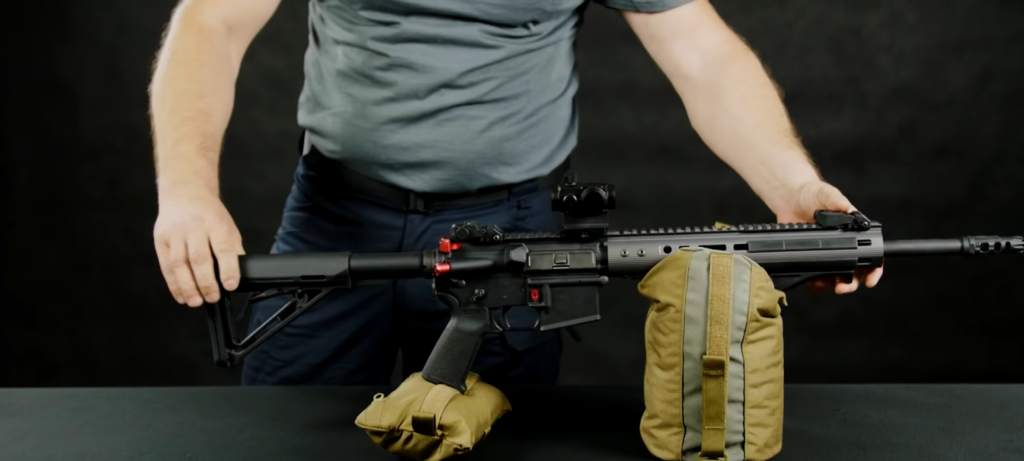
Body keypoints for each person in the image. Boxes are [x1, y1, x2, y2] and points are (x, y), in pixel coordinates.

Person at [149, 0, 883, 387]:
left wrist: (795, 185)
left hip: (512, 233)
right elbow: (212, 18)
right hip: (337, 218)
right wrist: (186, 190)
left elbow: (702, 54)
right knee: (281, 437)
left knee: (503, 440)